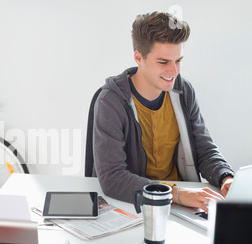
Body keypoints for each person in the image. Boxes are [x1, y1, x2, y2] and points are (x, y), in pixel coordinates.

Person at [93, 11, 234, 212]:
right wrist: (175, 193)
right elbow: (112, 178)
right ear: (138, 57)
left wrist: (225, 177)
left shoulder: (184, 92)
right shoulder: (111, 101)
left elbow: (205, 149)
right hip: (138, 206)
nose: (174, 71)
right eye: (163, 62)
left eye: (178, 60)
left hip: (184, 203)